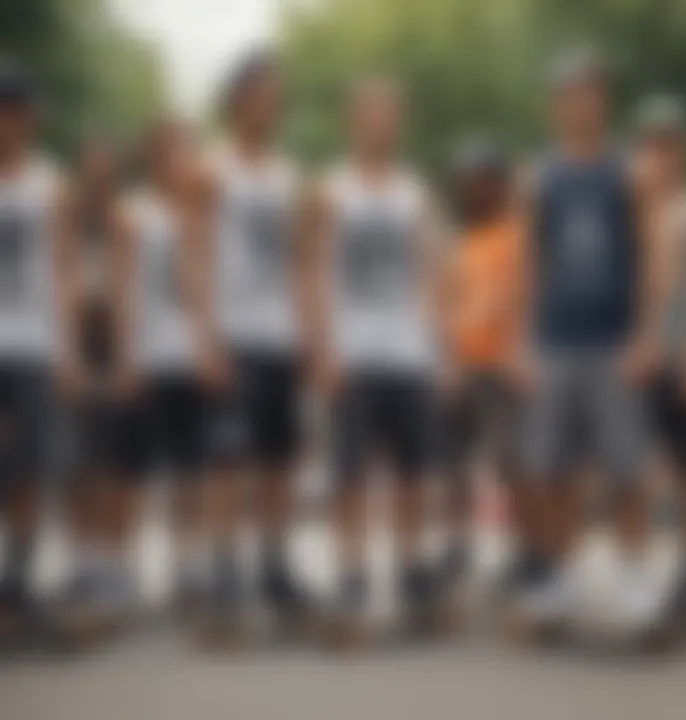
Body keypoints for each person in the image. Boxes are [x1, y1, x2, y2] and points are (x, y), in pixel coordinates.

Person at [514, 48, 663, 637]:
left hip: (613, 341)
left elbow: (651, 259)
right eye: (570, 92)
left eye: (591, 91)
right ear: (555, 104)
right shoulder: (539, 174)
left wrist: (649, 334)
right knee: (548, 471)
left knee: (628, 469)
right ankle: (564, 580)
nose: (581, 101)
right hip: (553, 341)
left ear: (604, 99)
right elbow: (529, 264)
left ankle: (633, 581)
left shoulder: (633, 171)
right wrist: (521, 342)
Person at [309, 78, 442, 646]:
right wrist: (323, 349)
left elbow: (429, 271)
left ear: (399, 120)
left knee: (413, 474)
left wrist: (438, 346)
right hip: (354, 350)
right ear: (353, 118)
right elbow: (313, 272)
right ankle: (353, 579)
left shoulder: (415, 192)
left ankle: (412, 576)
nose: (379, 122)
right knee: (351, 476)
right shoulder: (330, 190)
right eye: (369, 112)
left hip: (408, 350)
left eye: (389, 112)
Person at [194, 51, 313, 640]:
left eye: (278, 93)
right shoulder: (210, 169)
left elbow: (298, 260)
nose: (274, 102)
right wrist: (207, 337)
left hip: (282, 335)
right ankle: (224, 572)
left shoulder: (289, 175)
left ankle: (274, 565)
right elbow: (194, 257)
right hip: (234, 336)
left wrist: (310, 334)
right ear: (238, 98)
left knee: (279, 459)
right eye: (264, 91)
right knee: (227, 460)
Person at [108, 118, 208, 629]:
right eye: (173, 151)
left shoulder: (203, 215)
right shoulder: (133, 213)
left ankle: (185, 569)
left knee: (190, 473)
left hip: (191, 358)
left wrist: (212, 350)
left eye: (189, 150)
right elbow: (125, 289)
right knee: (134, 472)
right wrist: (126, 357)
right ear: (156, 156)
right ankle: (123, 573)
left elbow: (209, 292)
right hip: (148, 356)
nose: (183, 161)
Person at [634, 95, 686, 641]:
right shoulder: (634, 211)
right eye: (652, 143)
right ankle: (654, 579)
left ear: (685, 149)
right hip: (643, 361)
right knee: (646, 471)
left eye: (670, 143)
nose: (661, 153)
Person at [0, 64, 81, 643]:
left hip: (30, 342)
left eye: (28, 116)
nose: (23, 124)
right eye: (15, 113)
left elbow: (63, 268)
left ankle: (18, 582)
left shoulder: (48, 183)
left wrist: (68, 349)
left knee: (30, 468)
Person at [438, 138, 525, 621]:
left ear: (499, 184)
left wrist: (519, 350)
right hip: (462, 366)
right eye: (467, 180)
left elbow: (525, 298)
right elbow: (446, 303)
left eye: (482, 179)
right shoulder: (459, 240)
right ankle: (457, 550)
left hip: (503, 366)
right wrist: (447, 361)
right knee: (455, 467)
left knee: (511, 466)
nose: (473, 187)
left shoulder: (518, 235)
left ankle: (521, 556)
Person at [53, 133, 124, 641]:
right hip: (68, 346)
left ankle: (110, 564)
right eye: (90, 173)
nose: (97, 181)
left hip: (114, 346)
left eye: (106, 173)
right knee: (75, 461)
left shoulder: (127, 224)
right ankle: (82, 560)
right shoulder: (63, 224)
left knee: (111, 462)